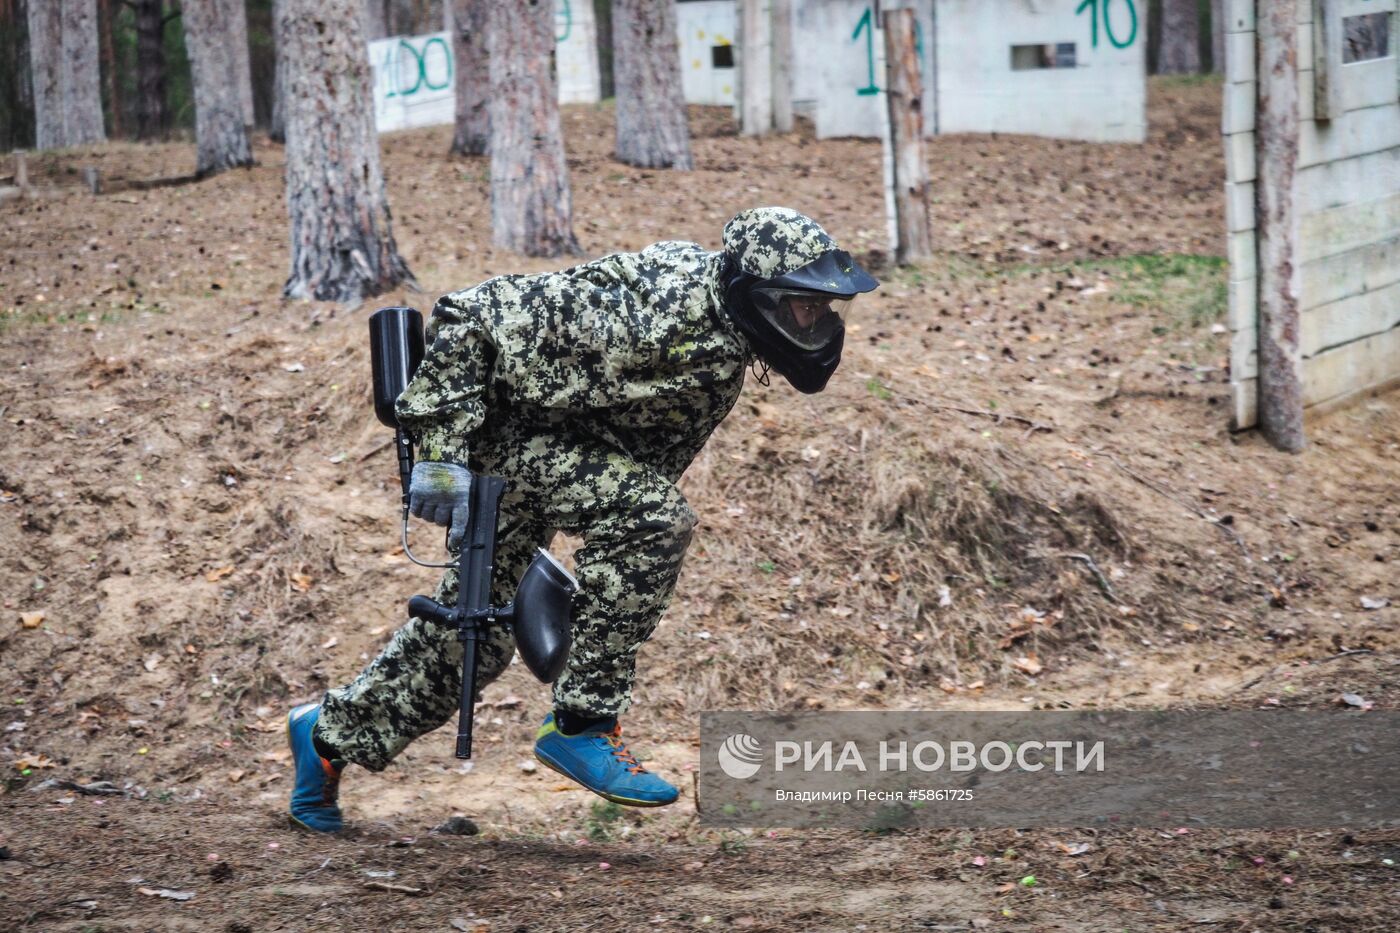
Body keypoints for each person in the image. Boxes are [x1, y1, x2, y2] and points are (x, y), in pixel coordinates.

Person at [287, 207, 879, 832]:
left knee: (473, 643)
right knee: (653, 516)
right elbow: (469, 315)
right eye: (805, 306)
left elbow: (638, 444)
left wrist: (604, 586)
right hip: (499, 432)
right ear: (755, 296)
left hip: (555, 440)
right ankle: (583, 723)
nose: (817, 323)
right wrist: (442, 458)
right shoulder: (655, 310)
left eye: (822, 308)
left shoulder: (726, 339)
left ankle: (323, 739)